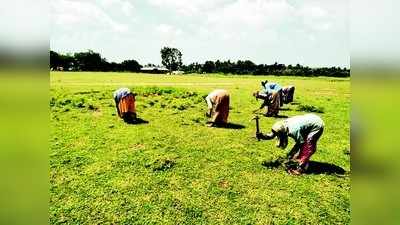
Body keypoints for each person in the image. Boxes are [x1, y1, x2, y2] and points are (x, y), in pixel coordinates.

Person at [256, 113, 324, 175]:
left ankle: (301, 168)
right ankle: (298, 161)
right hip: (309, 120)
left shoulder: (294, 130)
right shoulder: (281, 126)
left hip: (316, 125)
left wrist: (291, 154)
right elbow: (272, 135)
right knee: (303, 146)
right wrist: (263, 136)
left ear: (283, 133)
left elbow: (300, 143)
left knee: (307, 147)